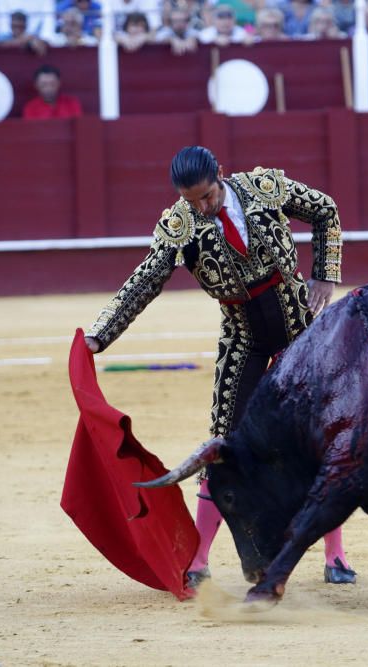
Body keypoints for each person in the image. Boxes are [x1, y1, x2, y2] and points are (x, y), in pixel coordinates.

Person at [83, 145, 354, 589]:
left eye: (207, 197)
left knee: (319, 435)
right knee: (222, 444)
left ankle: (336, 555)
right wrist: (101, 334)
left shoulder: (263, 188)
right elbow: (145, 281)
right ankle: (199, 559)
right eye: (192, 201)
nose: (202, 208)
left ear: (221, 177)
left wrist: (325, 272)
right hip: (242, 335)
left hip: (297, 325)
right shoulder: (180, 225)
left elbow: (325, 210)